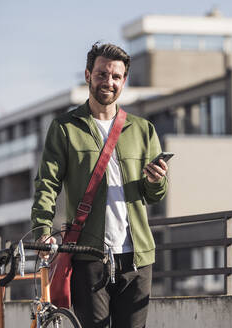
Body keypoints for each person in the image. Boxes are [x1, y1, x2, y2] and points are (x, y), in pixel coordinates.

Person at [31, 42, 168, 328]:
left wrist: (155, 180)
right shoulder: (66, 127)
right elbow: (47, 184)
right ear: (88, 75)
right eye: (102, 74)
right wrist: (42, 231)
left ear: (124, 81)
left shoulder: (143, 130)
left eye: (116, 76)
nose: (109, 82)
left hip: (137, 259)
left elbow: (154, 196)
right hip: (88, 257)